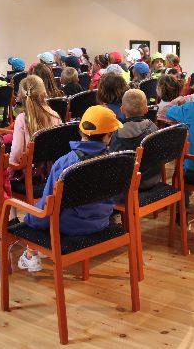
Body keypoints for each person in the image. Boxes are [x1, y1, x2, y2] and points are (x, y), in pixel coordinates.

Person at [18, 106, 121, 272]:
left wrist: (29, 220)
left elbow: (47, 207)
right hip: (102, 221)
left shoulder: (65, 164)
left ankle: (31, 255)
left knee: (35, 217)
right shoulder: (116, 161)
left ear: (80, 130)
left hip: (69, 227)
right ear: (108, 136)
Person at [109, 89, 160, 189]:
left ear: (122, 109)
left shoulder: (118, 134)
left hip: (127, 185)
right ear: (146, 109)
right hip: (153, 179)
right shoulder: (154, 128)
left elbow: (114, 163)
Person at [9, 75, 62, 169]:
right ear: (44, 93)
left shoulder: (22, 119)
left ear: (21, 95)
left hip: (27, 169)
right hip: (49, 169)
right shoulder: (55, 115)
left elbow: (17, 151)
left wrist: (11, 168)